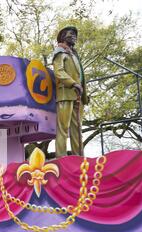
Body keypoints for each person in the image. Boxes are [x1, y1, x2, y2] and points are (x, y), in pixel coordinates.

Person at [52, 26, 89, 158]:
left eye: (75, 34)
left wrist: (84, 95)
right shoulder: (60, 52)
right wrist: (72, 83)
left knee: (77, 129)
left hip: (77, 96)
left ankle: (78, 158)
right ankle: (61, 158)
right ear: (63, 37)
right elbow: (59, 72)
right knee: (63, 128)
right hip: (65, 95)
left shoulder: (74, 55)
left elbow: (81, 76)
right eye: (71, 34)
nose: (74, 36)